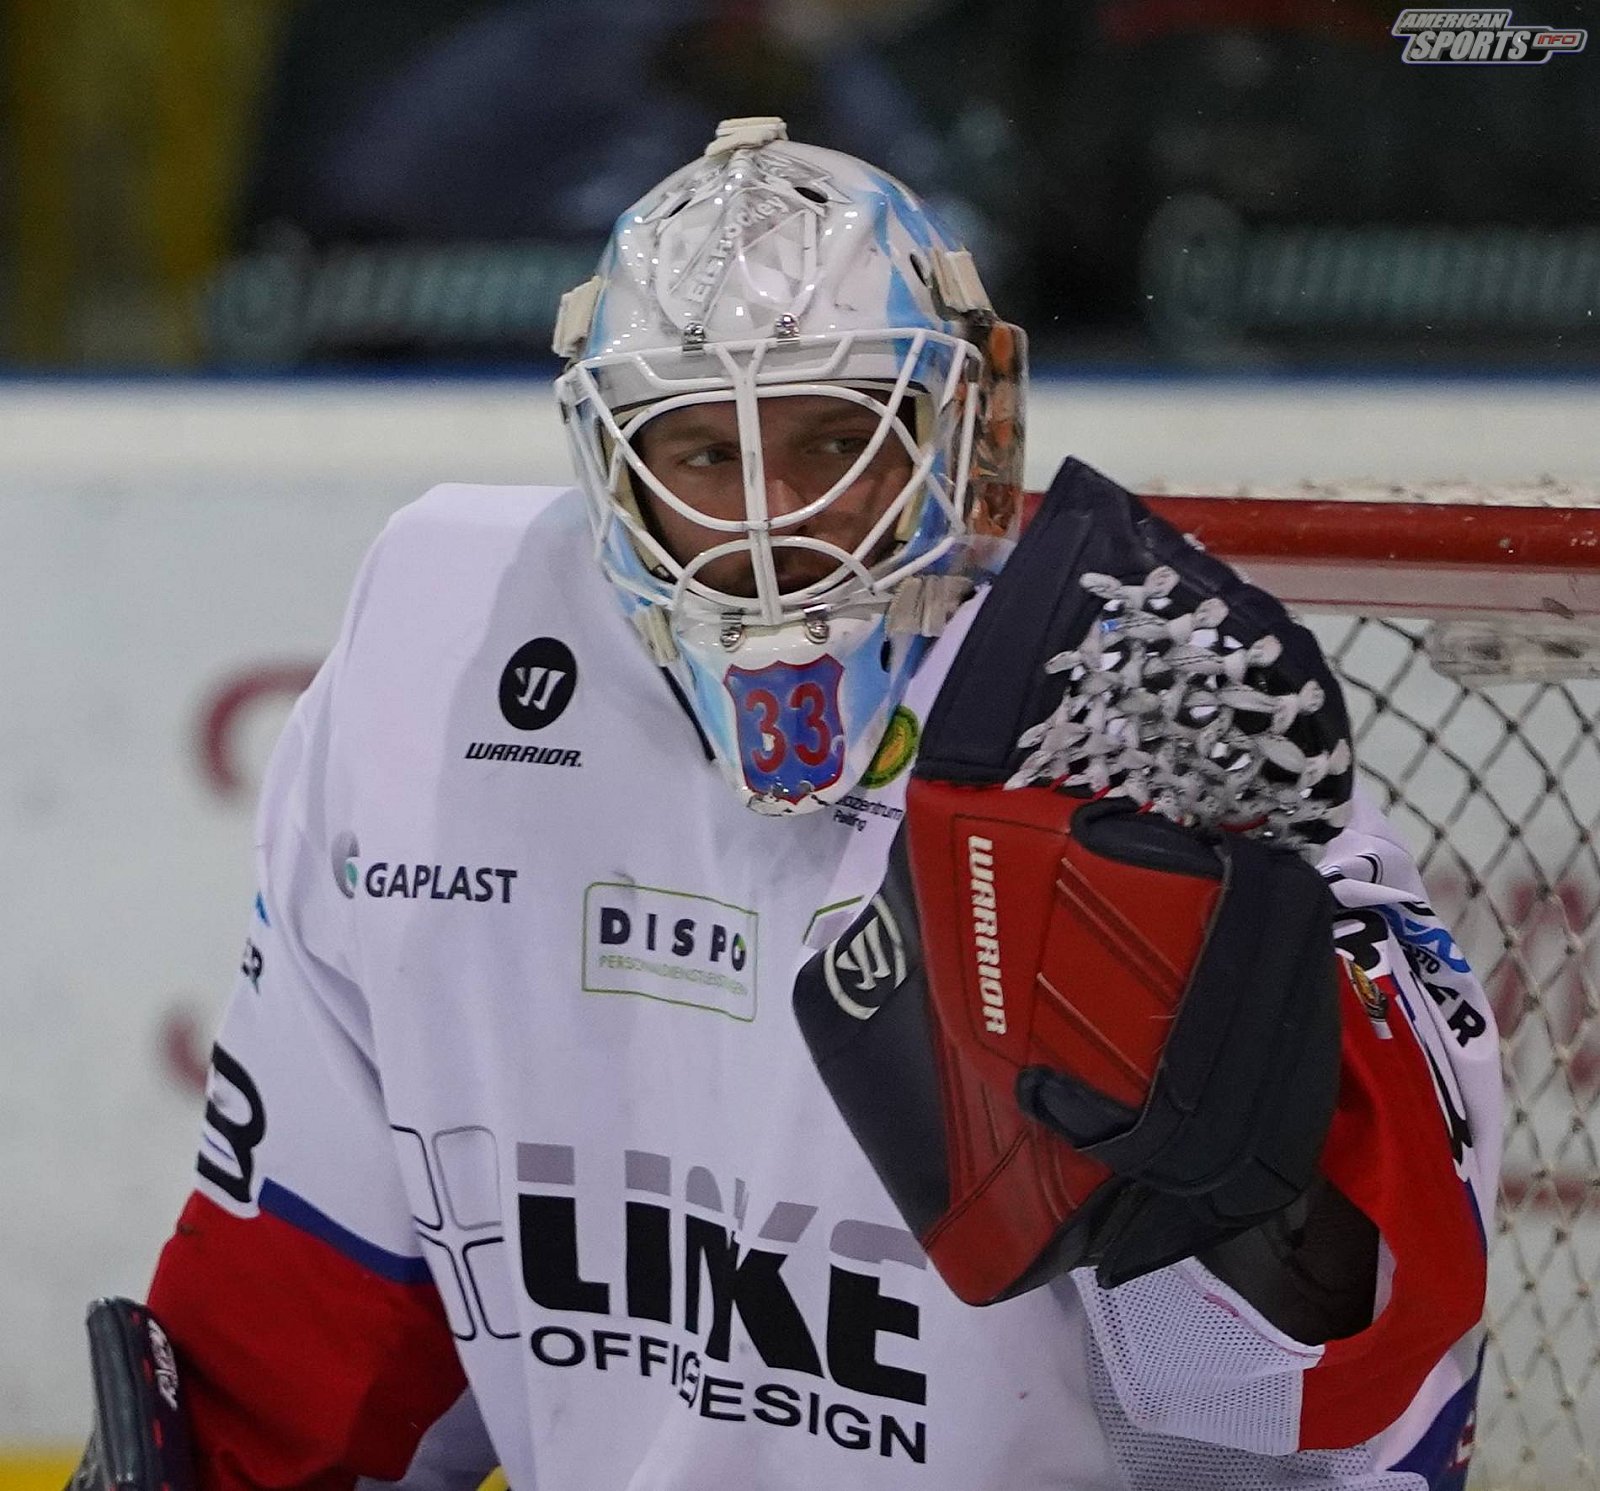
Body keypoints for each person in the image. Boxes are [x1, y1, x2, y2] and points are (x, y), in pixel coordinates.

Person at [103, 117, 1500, 1490]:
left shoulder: (1142, 760)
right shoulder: (437, 665)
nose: (771, 525)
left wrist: (1255, 1190)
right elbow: (311, 1330)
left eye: (836, 440)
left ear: (968, 431)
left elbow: (1340, 1428)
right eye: (705, 456)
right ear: (611, 467)